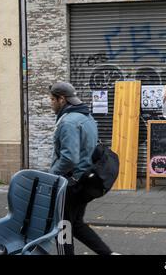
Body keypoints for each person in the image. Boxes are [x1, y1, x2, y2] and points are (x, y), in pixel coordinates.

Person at [49, 82, 117, 255]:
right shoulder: (87, 117)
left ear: (61, 99)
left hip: (71, 184)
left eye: (52, 99)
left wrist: (52, 175)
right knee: (76, 223)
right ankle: (107, 253)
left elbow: (69, 158)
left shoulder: (68, 123)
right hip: (85, 180)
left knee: (63, 225)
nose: (50, 103)